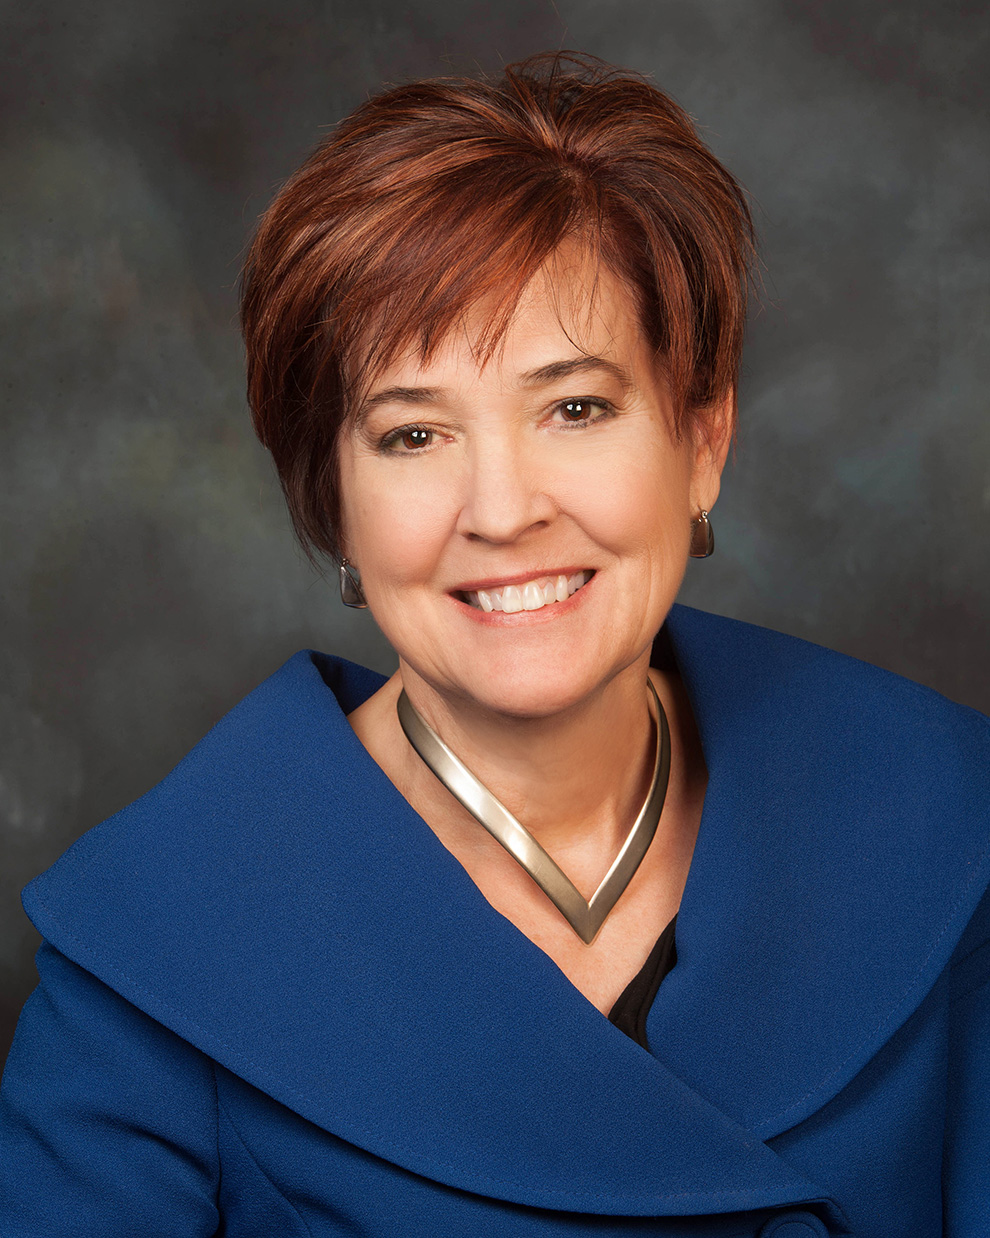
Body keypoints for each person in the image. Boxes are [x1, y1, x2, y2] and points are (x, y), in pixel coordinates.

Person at [1, 52, 988, 1238]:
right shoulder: (149, 961)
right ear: (335, 502)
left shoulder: (950, 820)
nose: (504, 507)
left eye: (575, 407)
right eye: (413, 434)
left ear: (703, 439)